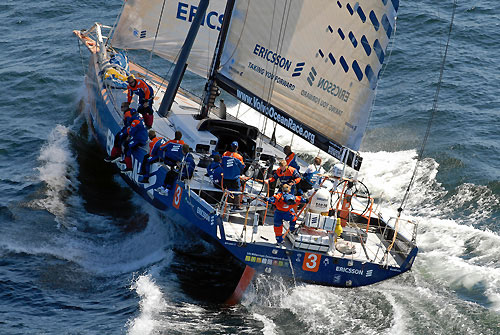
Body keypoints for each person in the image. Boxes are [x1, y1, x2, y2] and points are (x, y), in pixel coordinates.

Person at [222, 141, 245, 208]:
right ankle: (237, 206)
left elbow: (222, 164)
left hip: (226, 177)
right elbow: (242, 166)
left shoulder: (225, 154)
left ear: (231, 146)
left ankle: (228, 205)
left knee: (229, 191)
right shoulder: (239, 157)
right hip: (234, 178)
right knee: (237, 192)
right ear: (237, 147)